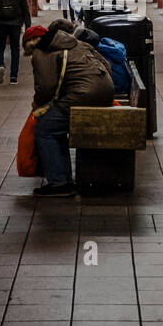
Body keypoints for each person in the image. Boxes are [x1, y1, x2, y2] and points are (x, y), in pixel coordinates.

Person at [23, 19, 115, 197]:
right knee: (56, 127)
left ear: (30, 44)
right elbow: (107, 65)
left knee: (44, 129)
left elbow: (46, 87)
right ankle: (64, 179)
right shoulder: (78, 43)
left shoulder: (42, 52)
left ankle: (59, 183)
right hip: (106, 90)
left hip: (83, 94)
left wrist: (37, 106)